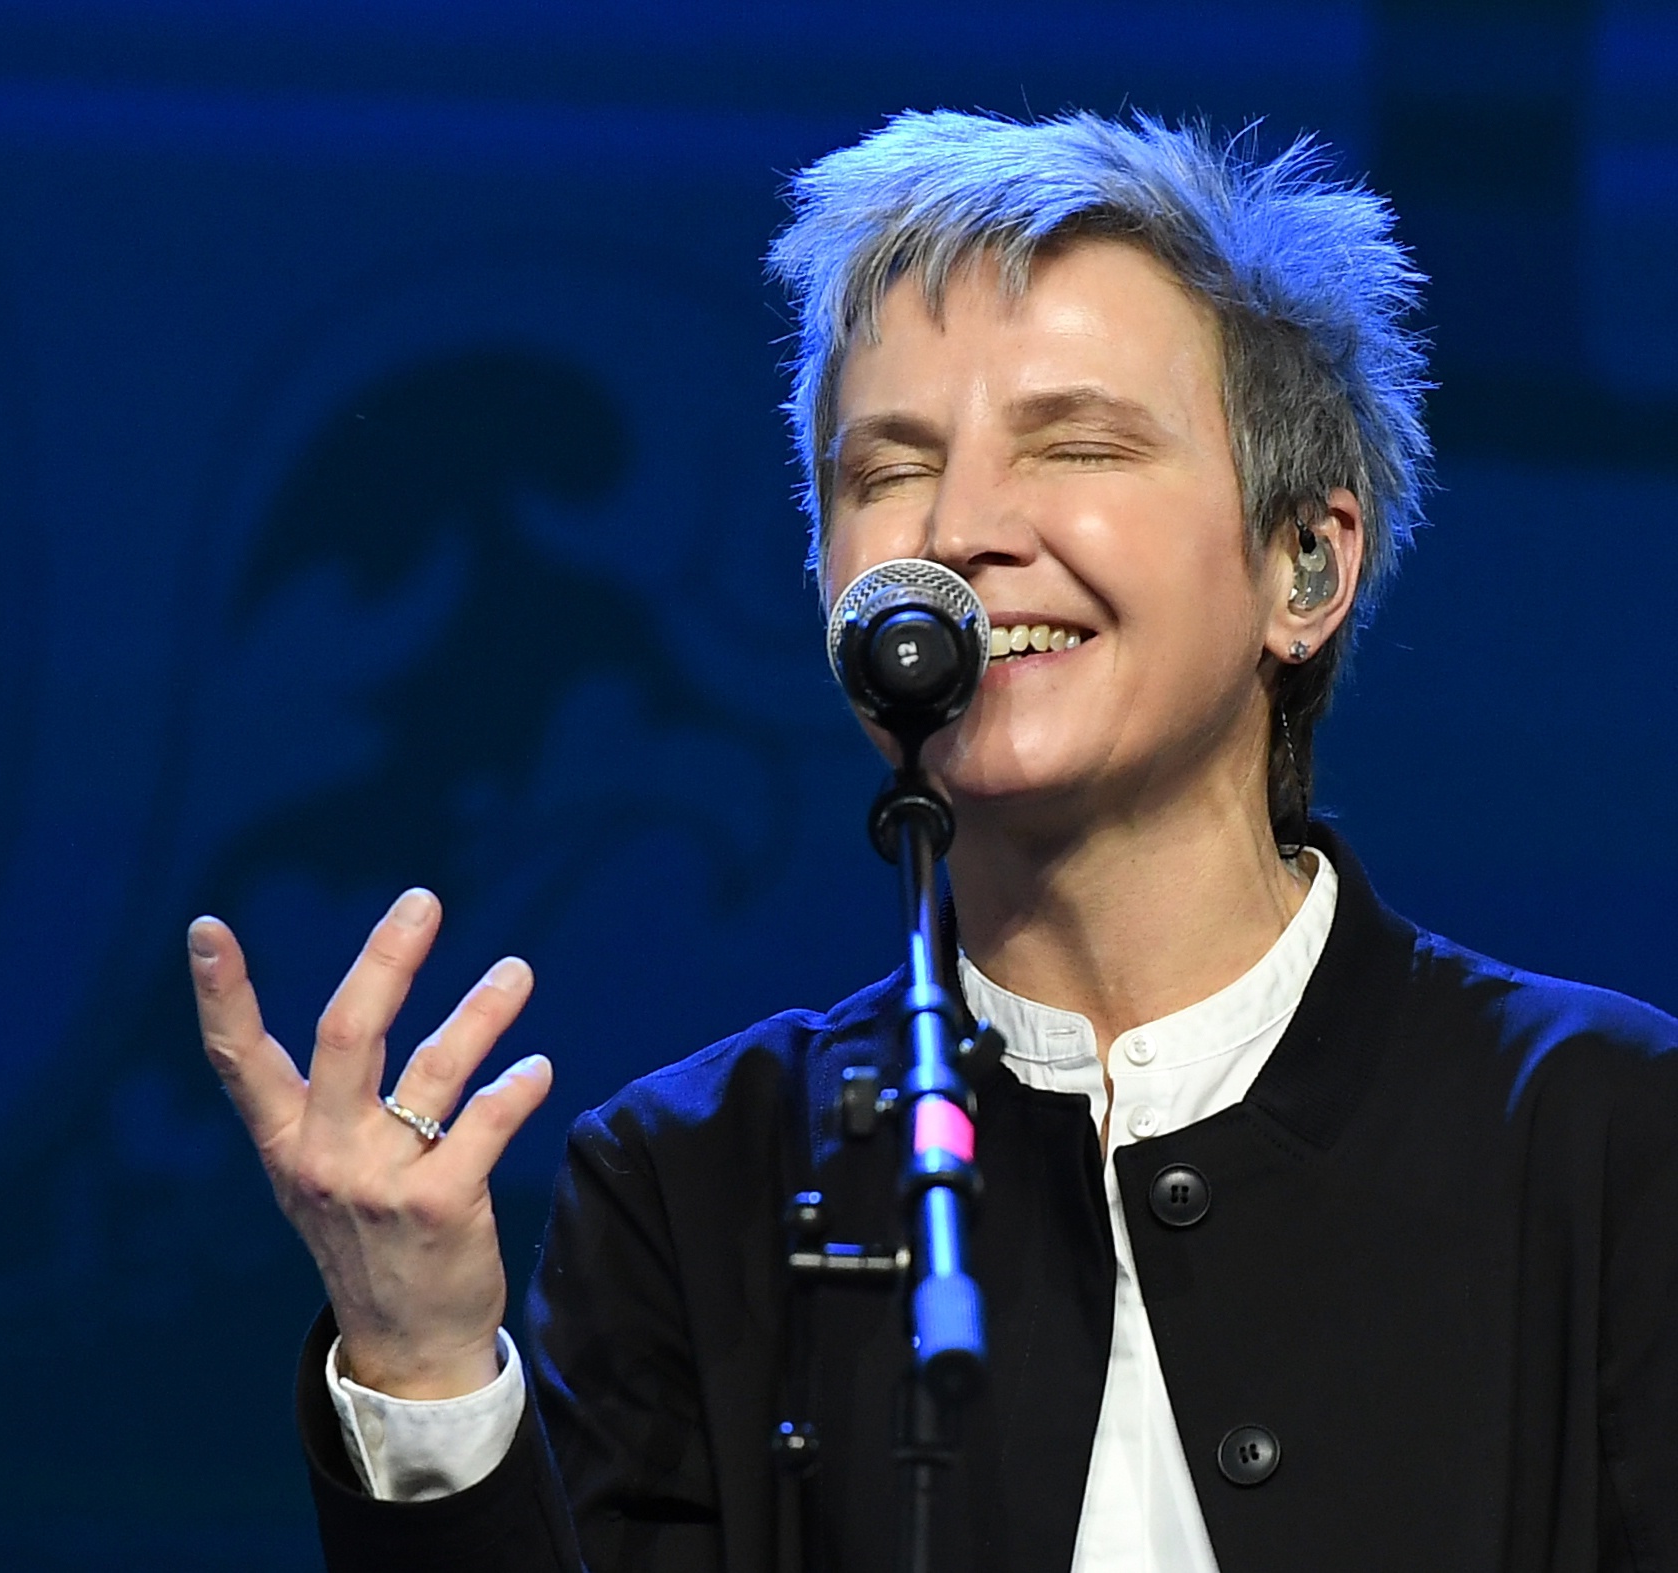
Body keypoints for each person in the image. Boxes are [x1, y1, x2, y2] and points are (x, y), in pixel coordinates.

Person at [186, 111, 1678, 1572]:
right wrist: (424, 1374)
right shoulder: (695, 1182)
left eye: (1077, 444)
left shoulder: (1604, 1136)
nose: (959, 529)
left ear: (1304, 566)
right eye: (888, 469)